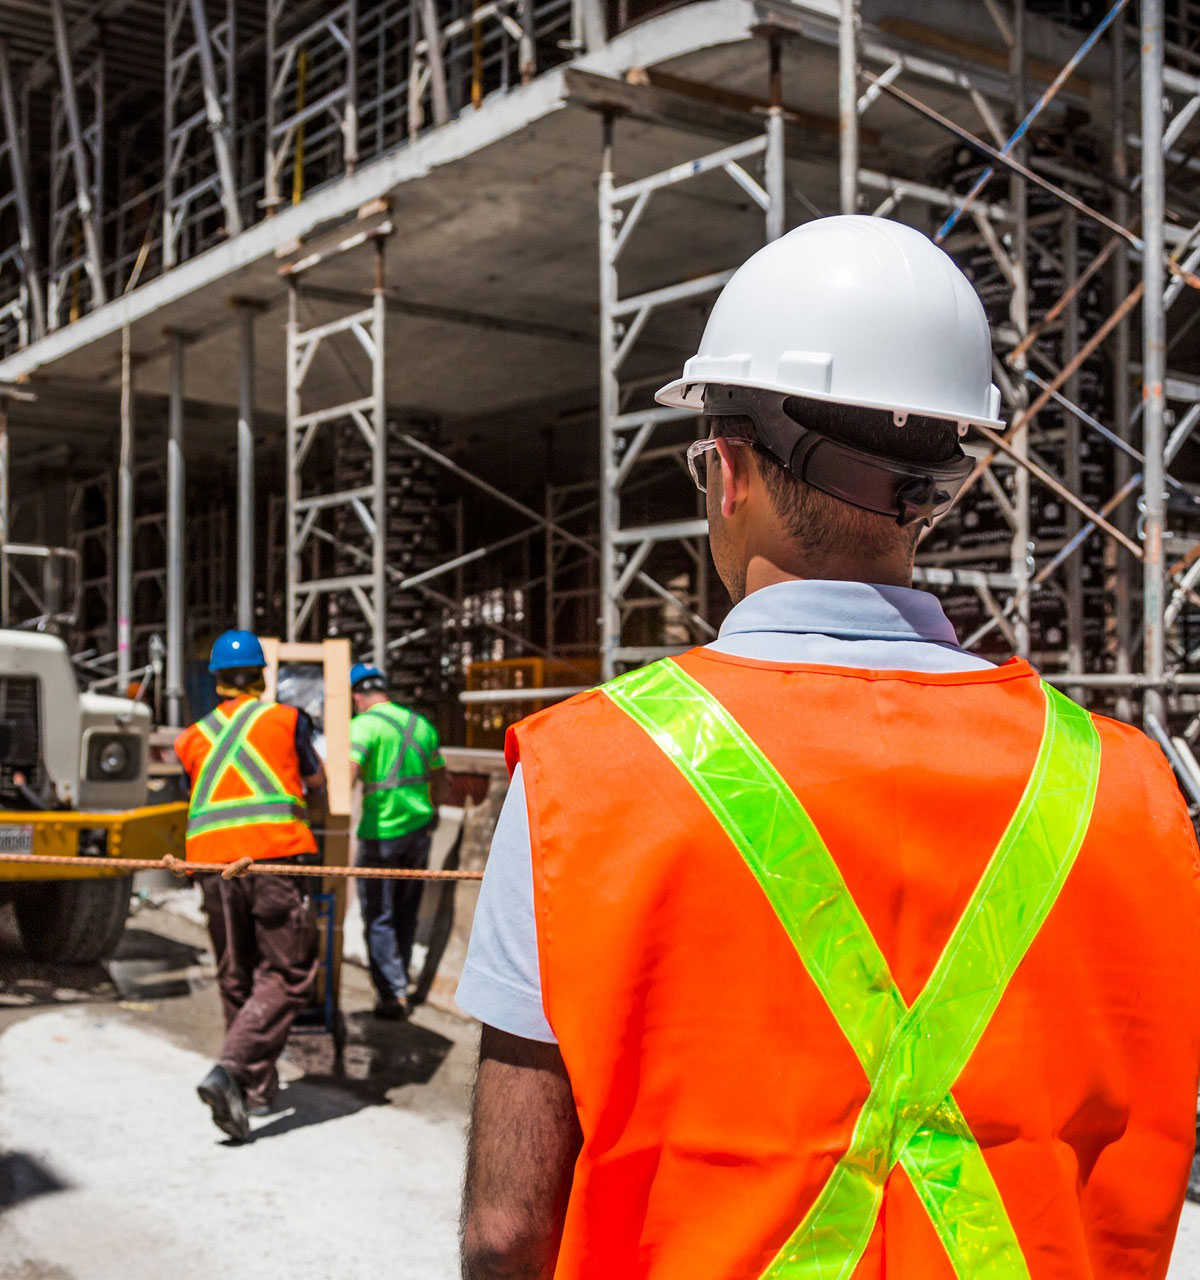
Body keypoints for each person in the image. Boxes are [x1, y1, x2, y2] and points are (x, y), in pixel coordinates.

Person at [457, 216, 1200, 1278]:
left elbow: (505, 1228)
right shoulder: (1128, 784)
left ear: (725, 471)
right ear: (933, 490)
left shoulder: (585, 775)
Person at [175, 629, 325, 1142]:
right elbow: (317, 781)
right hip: (272, 860)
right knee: (291, 972)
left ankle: (254, 1090)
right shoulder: (286, 720)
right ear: (263, 677)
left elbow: (194, 796)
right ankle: (232, 1070)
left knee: (237, 974)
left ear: (216, 680)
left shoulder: (191, 737)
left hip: (213, 870)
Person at [349, 662, 447, 1020]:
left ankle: (392, 995)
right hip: (418, 833)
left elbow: (348, 772)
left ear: (357, 696)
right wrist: (431, 812)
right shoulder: (420, 725)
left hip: (380, 835)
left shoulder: (363, 726)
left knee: (378, 915)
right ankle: (400, 981)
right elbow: (441, 776)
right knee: (406, 912)